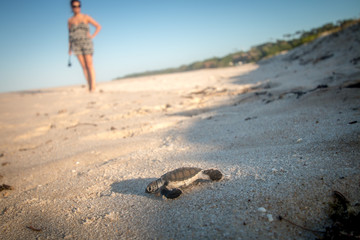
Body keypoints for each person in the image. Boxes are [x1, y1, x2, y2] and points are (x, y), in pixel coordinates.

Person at [68, 0, 101, 92]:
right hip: (76, 44)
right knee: (83, 66)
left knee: (89, 64)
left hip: (86, 42)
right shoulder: (70, 20)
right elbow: (69, 34)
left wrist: (92, 36)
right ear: (71, 7)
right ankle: (89, 86)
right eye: (75, 6)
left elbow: (98, 26)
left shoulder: (86, 17)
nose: (77, 8)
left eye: (79, 6)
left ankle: (93, 86)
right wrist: (69, 48)